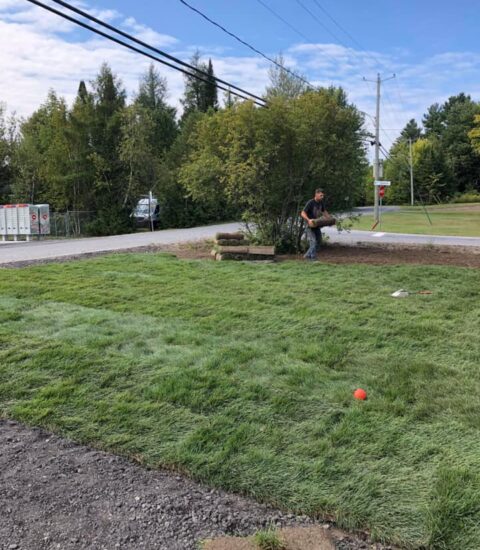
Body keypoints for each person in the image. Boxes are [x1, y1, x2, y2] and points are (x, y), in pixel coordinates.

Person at [300, 188, 331, 261]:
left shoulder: (321, 203)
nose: (322, 197)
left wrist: (329, 219)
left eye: (323, 195)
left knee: (319, 241)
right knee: (313, 242)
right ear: (316, 194)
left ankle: (307, 256)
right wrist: (308, 220)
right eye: (321, 195)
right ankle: (313, 258)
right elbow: (302, 213)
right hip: (309, 226)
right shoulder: (310, 202)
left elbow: (324, 211)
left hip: (316, 225)